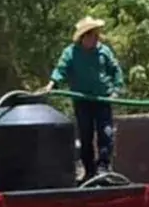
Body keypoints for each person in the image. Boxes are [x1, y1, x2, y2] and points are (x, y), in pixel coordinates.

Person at [40, 16, 124, 180]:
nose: (95, 39)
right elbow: (61, 69)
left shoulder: (104, 51)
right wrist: (51, 85)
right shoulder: (71, 52)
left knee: (105, 133)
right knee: (85, 135)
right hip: (82, 101)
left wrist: (116, 91)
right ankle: (89, 170)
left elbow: (116, 70)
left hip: (103, 100)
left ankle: (103, 168)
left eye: (96, 35)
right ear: (83, 37)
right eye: (92, 35)